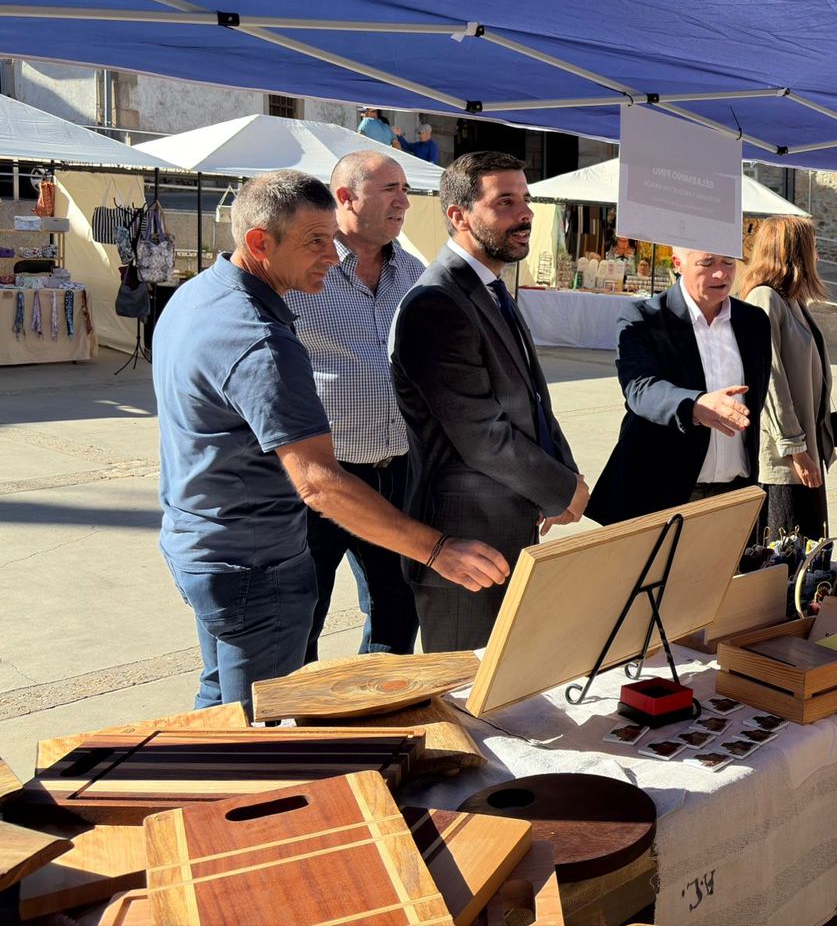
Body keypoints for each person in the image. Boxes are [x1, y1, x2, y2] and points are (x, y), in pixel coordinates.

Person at [152, 170, 508, 715]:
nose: (330, 254)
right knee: (260, 724)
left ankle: (200, 777)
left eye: (331, 238)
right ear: (257, 242)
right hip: (253, 563)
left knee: (223, 704)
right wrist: (438, 550)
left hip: (202, 545)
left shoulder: (197, 295)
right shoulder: (260, 341)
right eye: (314, 241)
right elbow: (318, 483)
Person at [390, 151, 589, 650]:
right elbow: (481, 434)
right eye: (504, 202)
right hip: (463, 542)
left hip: (505, 529)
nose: (524, 214)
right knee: (468, 703)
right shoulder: (436, 302)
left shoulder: (490, 289)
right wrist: (560, 487)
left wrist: (564, 475)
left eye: (525, 200)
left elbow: (533, 403)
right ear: (458, 216)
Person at [282, 152, 423, 661]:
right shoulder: (300, 274)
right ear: (345, 197)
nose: (403, 201)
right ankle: (302, 731)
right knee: (302, 613)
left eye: (405, 188)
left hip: (397, 472)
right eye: (390, 189)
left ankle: (376, 715)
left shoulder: (414, 274)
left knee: (397, 608)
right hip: (321, 476)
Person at [587, 248, 771, 525]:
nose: (720, 273)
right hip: (662, 495)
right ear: (678, 263)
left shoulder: (754, 321)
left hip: (733, 495)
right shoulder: (644, 317)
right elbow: (640, 388)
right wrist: (695, 406)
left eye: (728, 262)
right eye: (706, 263)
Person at [738, 215, 837, 541]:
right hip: (786, 462)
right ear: (794, 252)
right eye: (812, 247)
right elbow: (769, 382)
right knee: (786, 560)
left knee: (810, 561)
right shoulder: (764, 299)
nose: (817, 255)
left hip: (805, 450)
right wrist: (796, 448)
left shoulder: (792, 300)